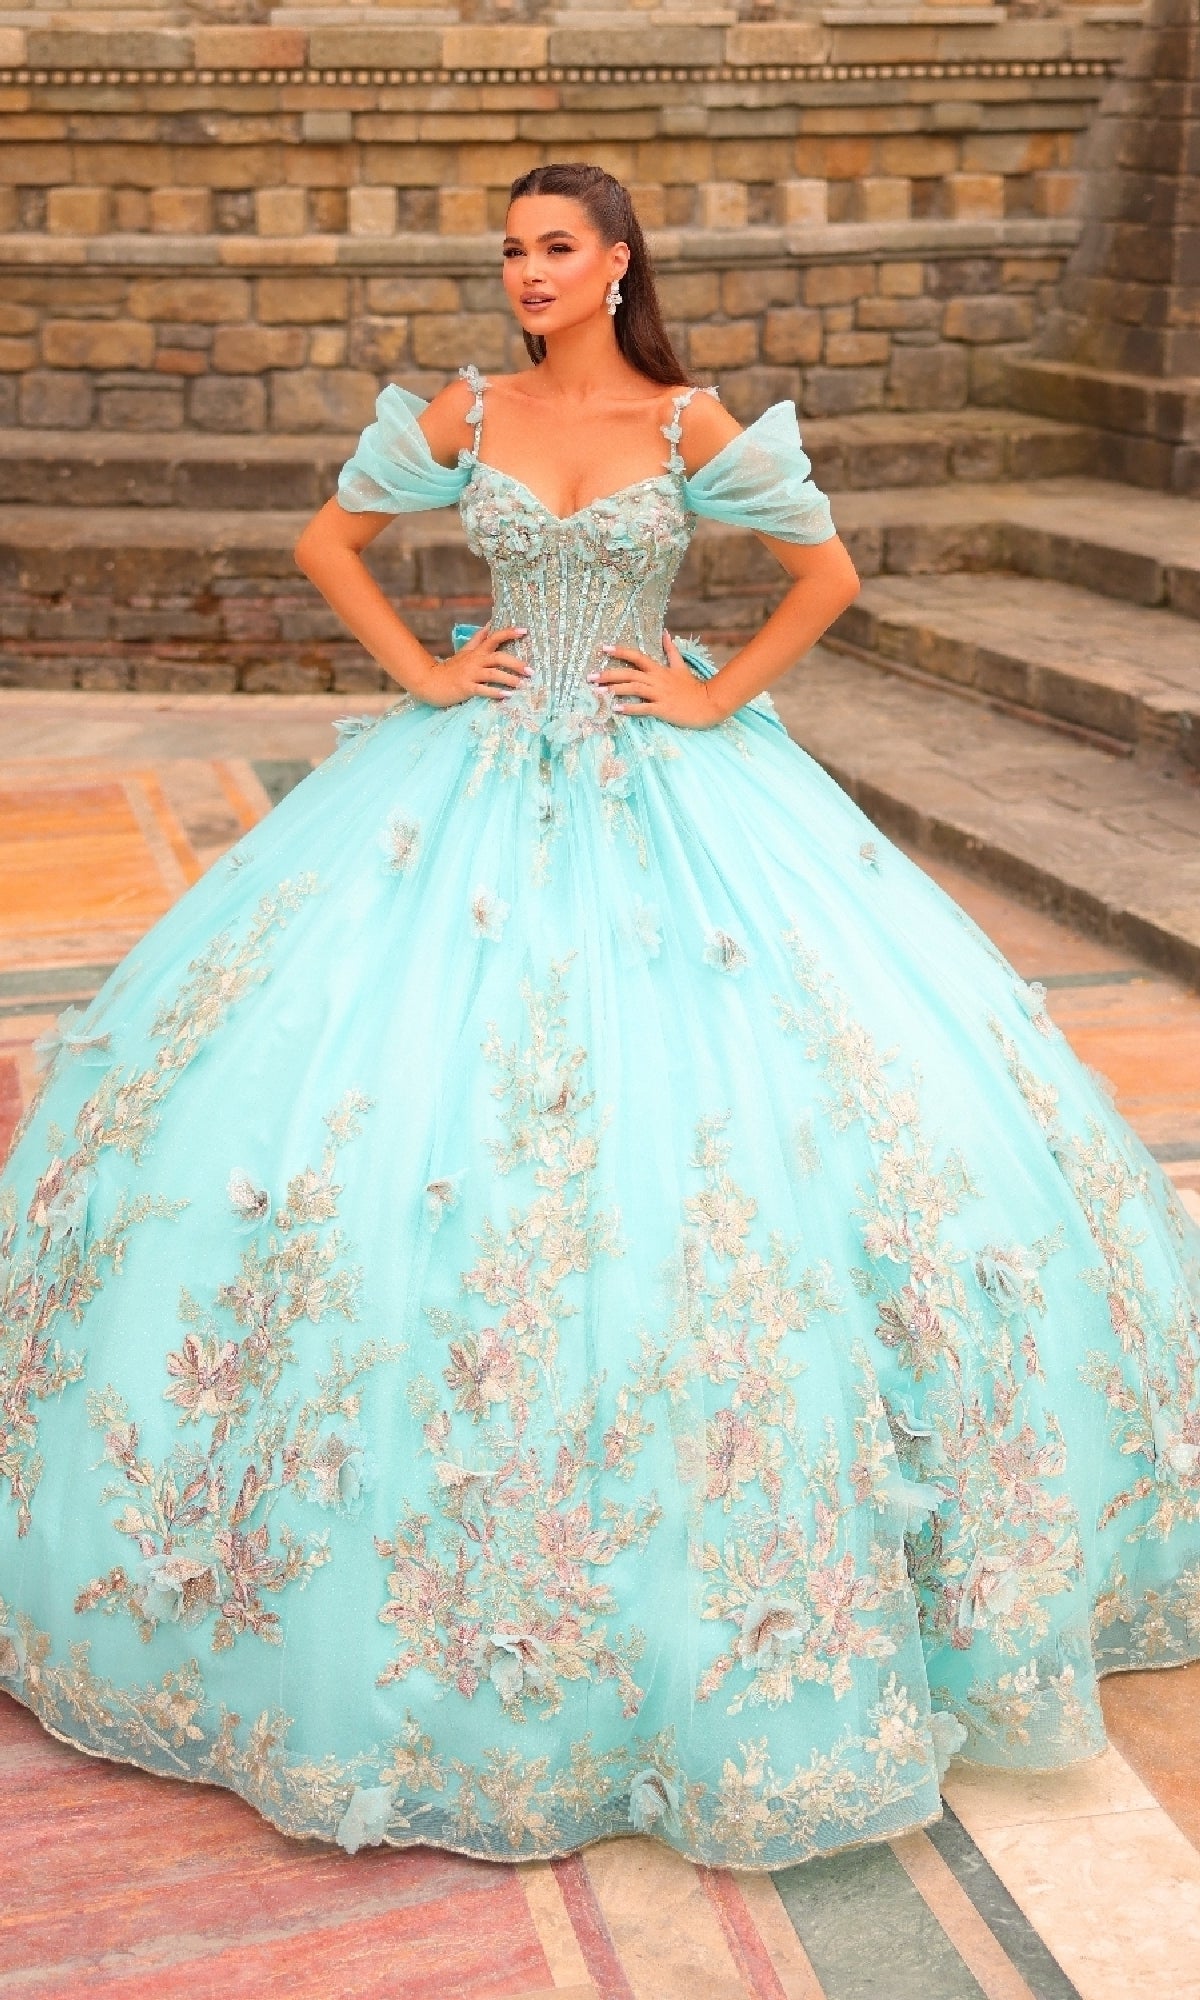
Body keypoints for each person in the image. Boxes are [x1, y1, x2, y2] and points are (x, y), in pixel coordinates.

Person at [1, 161, 1197, 1873]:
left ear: (619, 261)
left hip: (665, 780)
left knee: (751, 1143)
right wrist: (424, 670)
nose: (524, 272)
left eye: (554, 248)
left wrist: (707, 690)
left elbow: (826, 575)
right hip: (468, 771)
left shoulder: (691, 418)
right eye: (507, 249)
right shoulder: (461, 407)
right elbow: (329, 542)